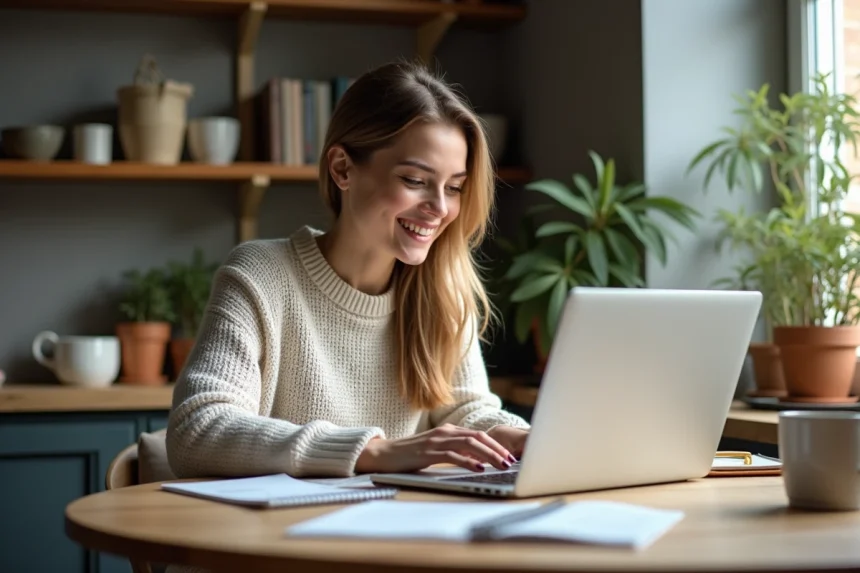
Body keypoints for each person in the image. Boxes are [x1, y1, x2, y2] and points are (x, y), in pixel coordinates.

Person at [165, 60, 530, 481]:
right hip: (279, 539)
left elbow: (466, 409)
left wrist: (514, 437)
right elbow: (197, 430)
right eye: (415, 180)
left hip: (396, 536)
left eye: (454, 187)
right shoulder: (261, 275)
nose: (441, 208)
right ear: (342, 169)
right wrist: (374, 451)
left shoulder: (442, 290)